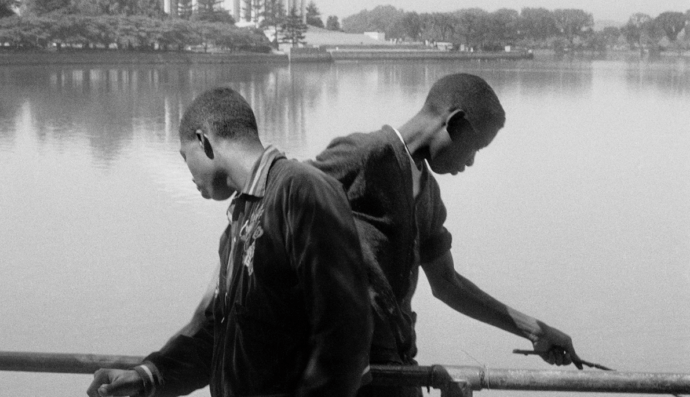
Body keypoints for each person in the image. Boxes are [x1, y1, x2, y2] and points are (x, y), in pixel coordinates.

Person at [308, 73, 582, 396]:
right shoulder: (365, 155)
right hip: (340, 373)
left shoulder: (427, 194)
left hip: (395, 372)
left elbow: (447, 284)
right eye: (475, 147)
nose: (470, 162)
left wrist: (533, 330)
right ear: (454, 122)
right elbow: (279, 202)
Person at [87, 87, 372, 397]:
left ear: (203, 140)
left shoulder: (301, 190)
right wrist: (147, 376)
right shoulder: (238, 223)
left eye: (186, 159)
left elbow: (346, 336)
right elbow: (215, 336)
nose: (191, 176)